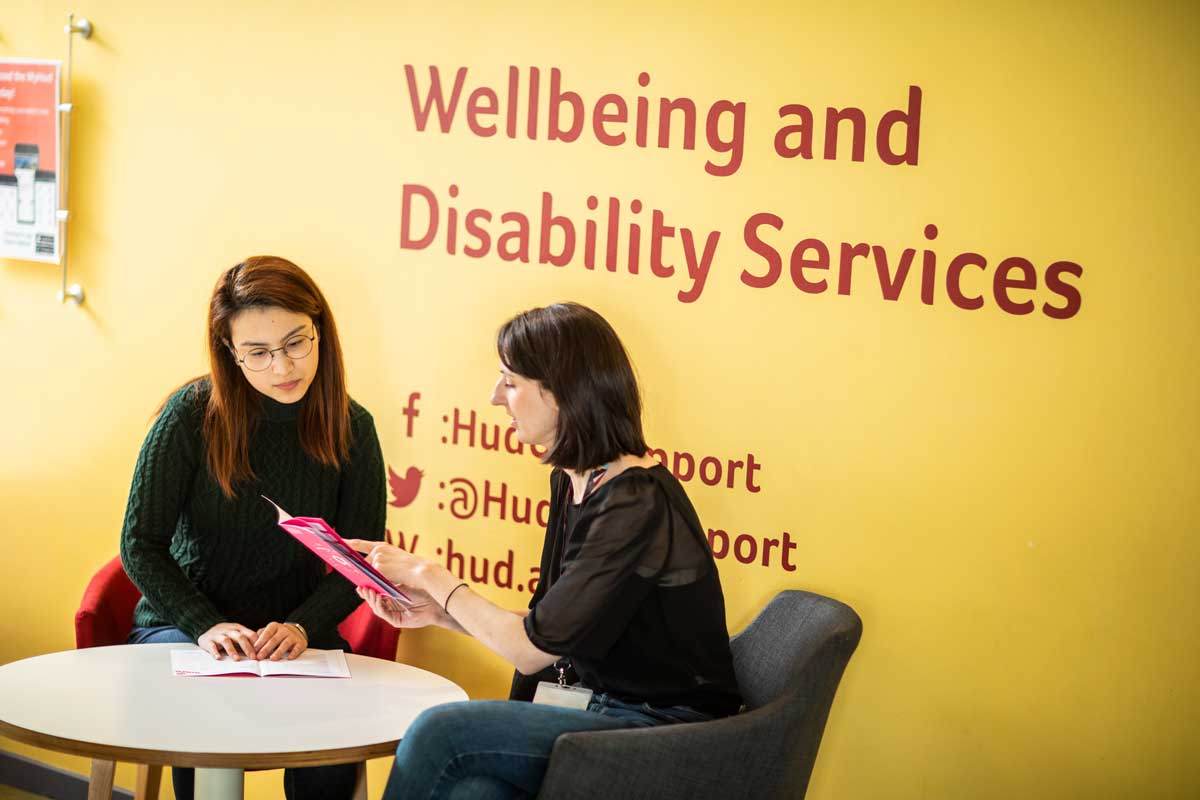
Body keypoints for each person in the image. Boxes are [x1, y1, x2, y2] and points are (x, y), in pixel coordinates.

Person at [348, 302, 742, 800]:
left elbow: (529, 650)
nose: (495, 397)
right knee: (476, 793)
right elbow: (548, 628)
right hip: (603, 707)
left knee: (438, 732)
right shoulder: (574, 480)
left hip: (664, 730)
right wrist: (438, 614)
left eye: (509, 382)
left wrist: (430, 574)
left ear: (560, 393)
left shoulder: (634, 501)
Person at [119, 255, 386, 800]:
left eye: (295, 343)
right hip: (184, 627)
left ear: (321, 333)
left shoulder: (352, 426)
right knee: (211, 716)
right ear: (230, 354)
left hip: (294, 636)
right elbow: (140, 545)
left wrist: (303, 627)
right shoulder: (190, 415)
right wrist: (205, 625)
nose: (282, 368)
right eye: (258, 354)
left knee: (331, 746)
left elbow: (354, 563)